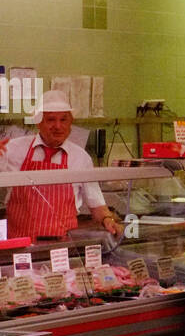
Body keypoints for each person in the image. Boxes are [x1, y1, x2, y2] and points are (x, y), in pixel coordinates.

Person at [0, 90, 122, 239]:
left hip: (64, 248)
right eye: (51, 119)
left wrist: (107, 220)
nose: (58, 126)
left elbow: (96, 204)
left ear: (70, 123)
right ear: (39, 122)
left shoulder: (81, 158)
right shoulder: (13, 149)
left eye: (63, 120)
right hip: (21, 247)